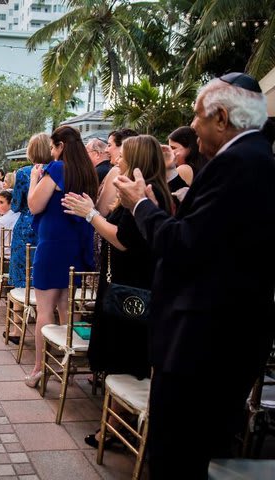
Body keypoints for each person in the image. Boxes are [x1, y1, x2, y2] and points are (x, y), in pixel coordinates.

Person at [113, 72, 275, 478]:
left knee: (177, 455)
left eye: (197, 117)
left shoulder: (241, 164)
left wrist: (139, 207)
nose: (193, 127)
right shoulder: (253, 158)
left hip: (203, 342)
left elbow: (185, 245)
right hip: (217, 338)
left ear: (221, 117)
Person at [62, 135, 173, 449]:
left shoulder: (147, 197)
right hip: (123, 283)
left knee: (125, 356)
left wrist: (90, 214)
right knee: (122, 355)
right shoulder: (140, 191)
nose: (117, 158)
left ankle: (114, 429)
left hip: (132, 290)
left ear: (137, 159)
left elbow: (124, 239)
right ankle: (113, 424)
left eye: (123, 155)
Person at [25, 125, 99, 388]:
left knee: (44, 310)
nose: (52, 153)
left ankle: (39, 369)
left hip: (53, 244)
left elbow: (34, 205)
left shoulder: (57, 169)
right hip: (76, 244)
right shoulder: (88, 172)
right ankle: (69, 364)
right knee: (67, 307)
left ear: (60, 146)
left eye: (53, 148)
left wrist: (35, 178)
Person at [9, 133, 50, 288]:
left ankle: (19, 309)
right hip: (47, 224)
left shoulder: (24, 172)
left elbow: (16, 205)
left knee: (22, 276)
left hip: (26, 226)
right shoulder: (57, 171)